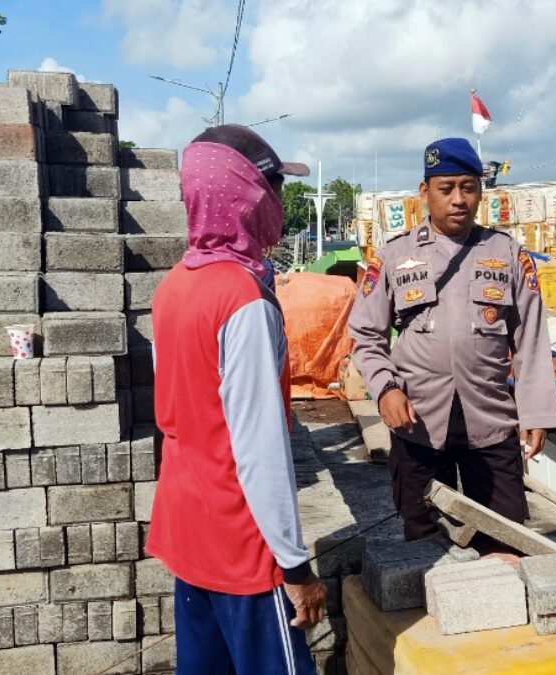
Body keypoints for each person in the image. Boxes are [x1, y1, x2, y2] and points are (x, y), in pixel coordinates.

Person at [147, 125, 325, 674]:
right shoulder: (244, 300)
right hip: (242, 542)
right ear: (247, 197)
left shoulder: (175, 284)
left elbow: (180, 414)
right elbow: (258, 448)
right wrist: (295, 568)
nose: (279, 203)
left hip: (186, 524)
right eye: (274, 188)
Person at [349, 137, 556, 544]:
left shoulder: (507, 253)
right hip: (418, 422)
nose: (458, 199)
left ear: (480, 192)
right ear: (425, 192)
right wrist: (385, 390)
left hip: (492, 423)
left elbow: (531, 338)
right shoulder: (393, 255)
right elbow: (365, 333)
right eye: (446, 189)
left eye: (468, 187)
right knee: (425, 545)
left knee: (506, 540)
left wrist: (537, 412)